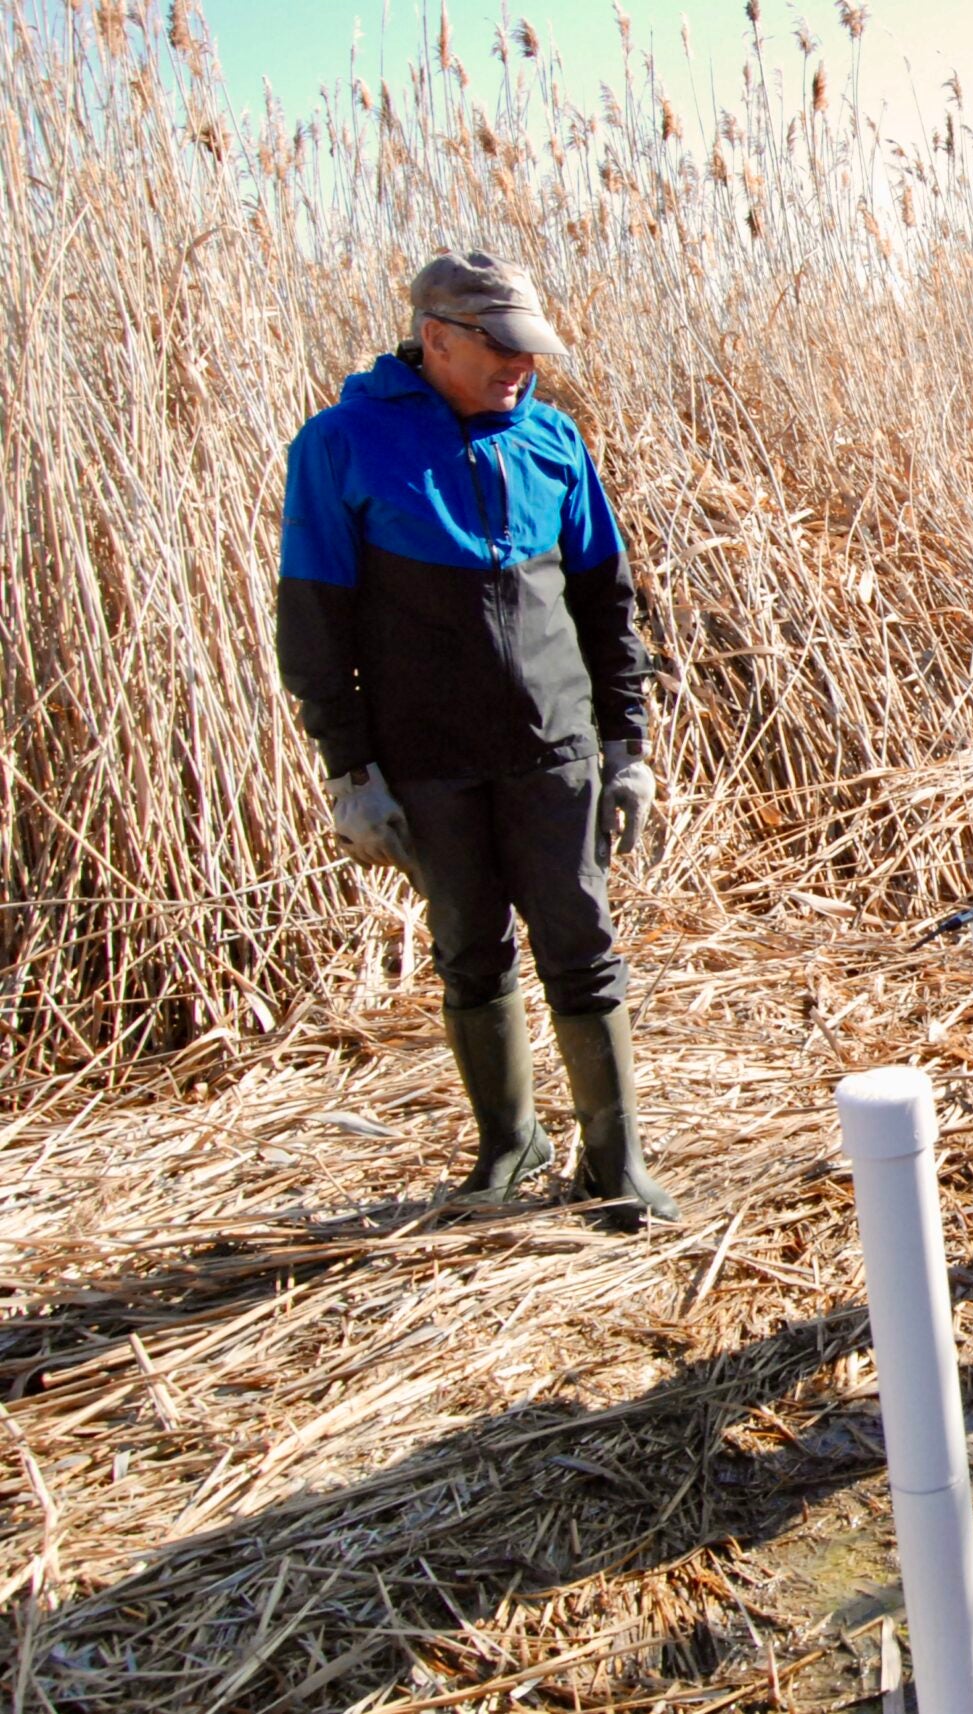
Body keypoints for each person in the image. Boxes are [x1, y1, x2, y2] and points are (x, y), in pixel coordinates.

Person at [275, 249, 676, 1231]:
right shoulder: (340, 445)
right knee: (469, 951)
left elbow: (604, 601)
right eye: (500, 349)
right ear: (437, 338)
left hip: (554, 747)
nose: (520, 368)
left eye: (530, 349)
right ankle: (508, 1147)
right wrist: (351, 771)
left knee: (581, 944)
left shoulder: (554, 441)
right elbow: (314, 620)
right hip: (427, 757)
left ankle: (614, 1163)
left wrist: (626, 745)